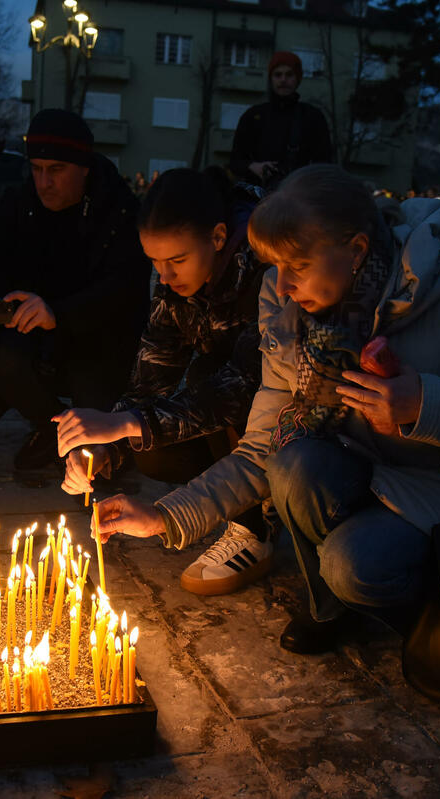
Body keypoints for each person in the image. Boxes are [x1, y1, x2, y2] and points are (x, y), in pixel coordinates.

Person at [93, 164, 440, 655]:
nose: (282, 285)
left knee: (352, 566)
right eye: (273, 267)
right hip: (365, 474)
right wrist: (165, 517)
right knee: (293, 462)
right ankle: (334, 609)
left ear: (355, 251)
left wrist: (424, 405)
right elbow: (261, 448)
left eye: (297, 266)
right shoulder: (290, 310)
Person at [53, 168, 273, 596]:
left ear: (218, 236)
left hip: (290, 423)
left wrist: (128, 422)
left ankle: (254, 528)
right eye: (154, 262)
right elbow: (148, 383)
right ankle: (241, 508)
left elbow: (244, 387)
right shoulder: (175, 289)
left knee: (205, 375)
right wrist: (100, 449)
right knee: (152, 452)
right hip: (233, 410)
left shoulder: (268, 269)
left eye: (176, 261)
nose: (165, 276)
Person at [0, 109, 151, 470]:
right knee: (0, 355)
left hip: (100, 340)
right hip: (37, 338)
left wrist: (58, 312)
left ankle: (96, 442)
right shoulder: (19, 203)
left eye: (56, 170)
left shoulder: (120, 210)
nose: (44, 182)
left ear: (84, 167)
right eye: (37, 168)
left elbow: (123, 291)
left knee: (95, 443)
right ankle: (52, 428)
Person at [230, 51, 333, 190]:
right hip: (258, 199)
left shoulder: (312, 117)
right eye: (277, 74)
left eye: (289, 74)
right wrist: (253, 167)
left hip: (298, 198)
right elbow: (235, 162)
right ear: (271, 78)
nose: (283, 80)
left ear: (298, 78)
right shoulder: (253, 116)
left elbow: (324, 165)